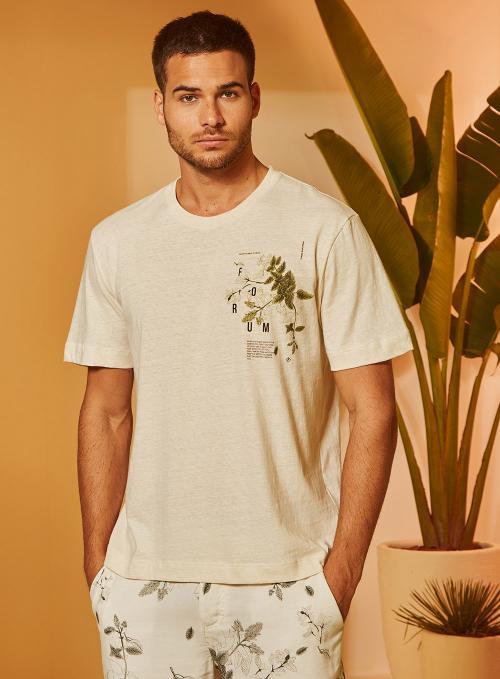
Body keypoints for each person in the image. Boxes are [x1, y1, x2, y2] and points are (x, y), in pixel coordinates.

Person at [63, 9, 413, 679]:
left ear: (254, 98)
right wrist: (100, 569)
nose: (210, 116)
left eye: (227, 92)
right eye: (188, 96)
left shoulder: (325, 229)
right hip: (144, 582)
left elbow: (372, 409)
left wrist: (338, 576)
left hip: (291, 579)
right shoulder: (118, 242)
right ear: (161, 106)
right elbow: (105, 410)